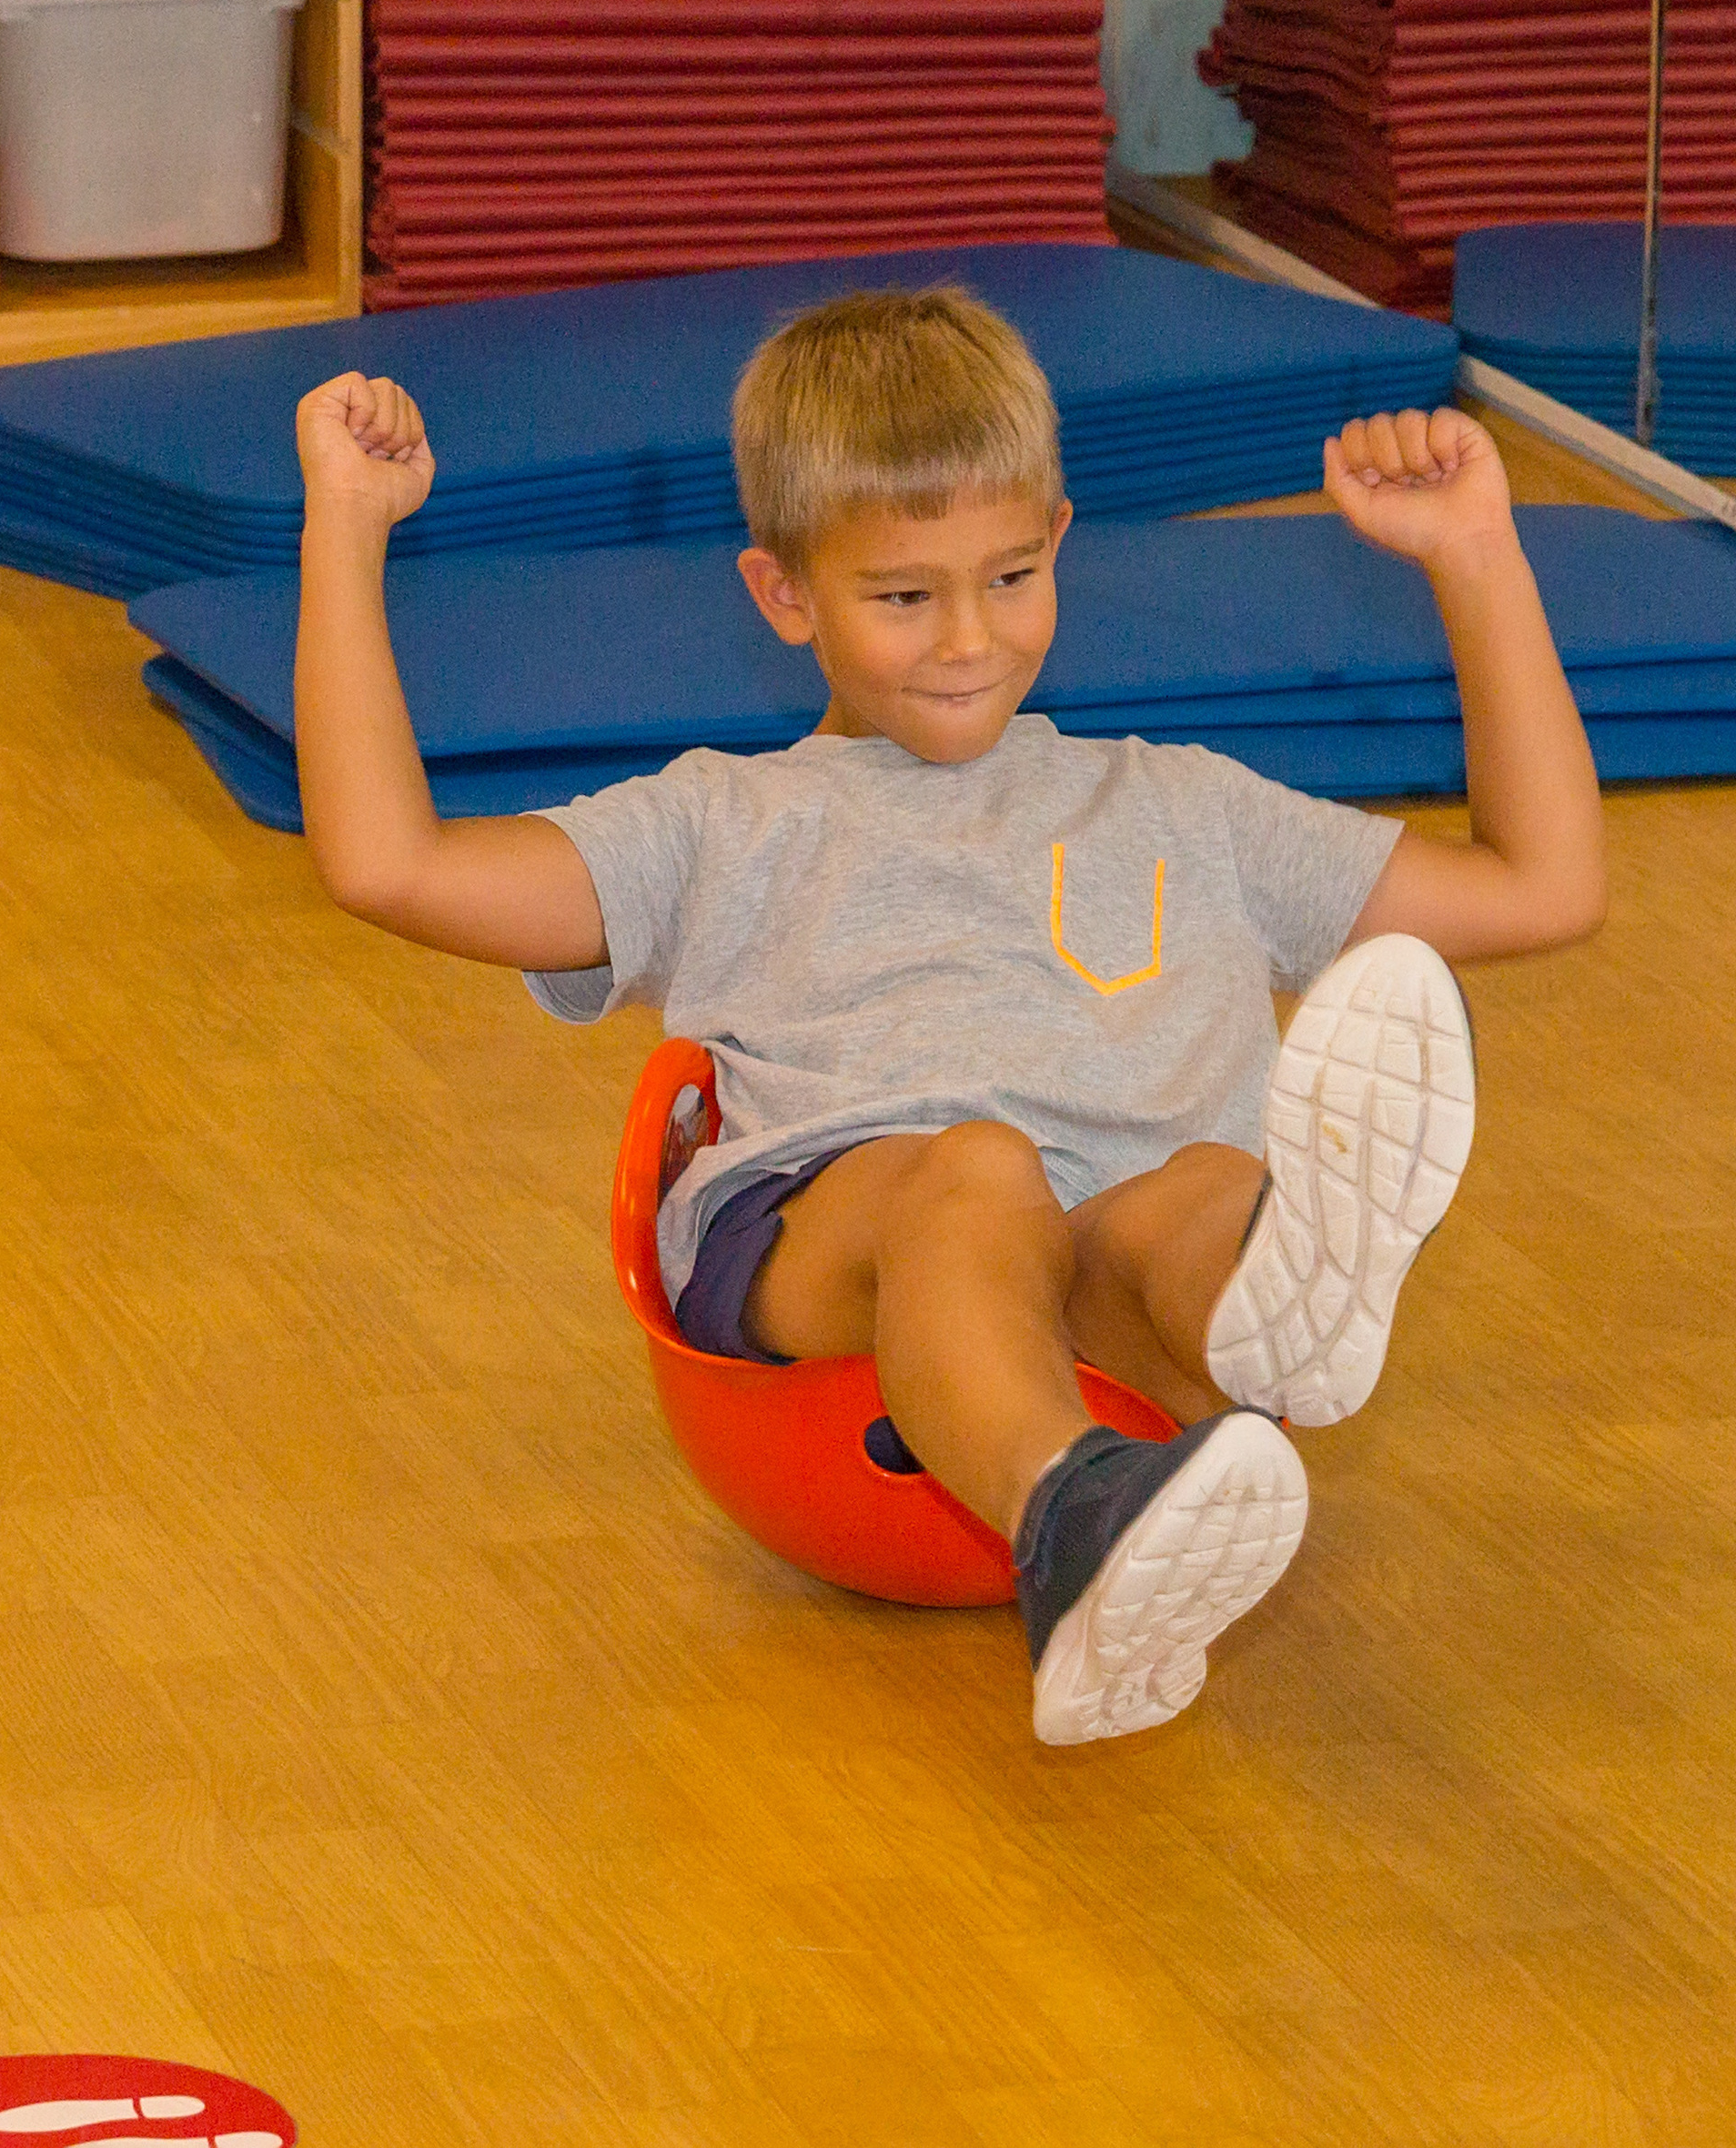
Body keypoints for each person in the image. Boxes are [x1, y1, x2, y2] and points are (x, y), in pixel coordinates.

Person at [290, 287, 1605, 1747]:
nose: (970, 638)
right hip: (829, 1255)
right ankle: (1080, 1521)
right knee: (977, 1169)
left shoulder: (1189, 805)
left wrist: (1476, 553)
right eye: (905, 596)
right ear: (785, 594)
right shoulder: (719, 821)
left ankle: (1278, 1293)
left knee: (1202, 1187)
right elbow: (387, 867)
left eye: (1013, 575)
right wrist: (344, 532)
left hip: (1102, 1294)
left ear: (1058, 535)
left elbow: (1544, 891)